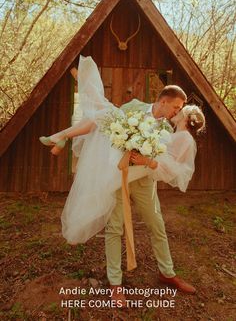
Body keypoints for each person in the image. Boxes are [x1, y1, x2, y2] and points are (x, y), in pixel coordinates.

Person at [39, 56, 205, 300]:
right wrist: (70, 134)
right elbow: (103, 124)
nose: (177, 112)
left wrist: (146, 160)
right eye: (176, 108)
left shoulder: (168, 130)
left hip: (144, 180)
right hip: (118, 176)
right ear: (162, 101)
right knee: (114, 228)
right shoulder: (135, 107)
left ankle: (167, 273)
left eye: (179, 110)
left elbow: (162, 161)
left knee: (156, 224)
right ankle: (115, 284)